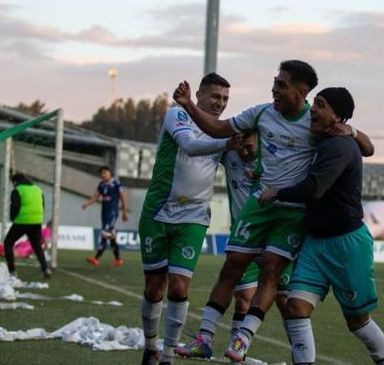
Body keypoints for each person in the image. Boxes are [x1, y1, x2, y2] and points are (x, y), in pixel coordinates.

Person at [174, 60, 375, 362]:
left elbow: (368, 148)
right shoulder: (262, 113)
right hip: (260, 203)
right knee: (232, 265)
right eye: (275, 82)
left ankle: (242, 338)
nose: (274, 89)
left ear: (301, 92)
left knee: (270, 268)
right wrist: (189, 105)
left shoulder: (316, 124)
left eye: (281, 85)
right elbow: (217, 128)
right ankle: (204, 338)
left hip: (293, 211)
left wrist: (353, 130)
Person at [259, 87, 384, 365]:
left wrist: (277, 192)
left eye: (320, 105)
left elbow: (315, 188)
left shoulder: (340, 146)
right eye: (314, 104)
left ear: (337, 117)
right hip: (315, 242)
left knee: (358, 322)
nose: (313, 110)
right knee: (295, 308)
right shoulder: (322, 139)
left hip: (347, 244)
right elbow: (369, 147)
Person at [138, 73, 239, 365]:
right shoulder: (177, 114)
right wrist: (227, 143)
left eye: (225, 100)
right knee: (154, 288)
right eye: (216, 97)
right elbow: (191, 145)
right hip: (158, 212)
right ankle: (149, 346)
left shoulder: (222, 131)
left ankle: (168, 355)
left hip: (194, 216)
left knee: (180, 287)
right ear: (199, 95)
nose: (221, 104)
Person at [221, 133, 290, 335]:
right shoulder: (229, 154)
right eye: (240, 146)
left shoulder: (273, 159)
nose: (244, 151)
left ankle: (300, 353)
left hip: (274, 238)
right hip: (244, 238)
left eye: (249, 146)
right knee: (243, 299)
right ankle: (236, 352)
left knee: (286, 301)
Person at [3, 172, 50, 279]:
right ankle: (46, 268)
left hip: (22, 220)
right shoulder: (37, 189)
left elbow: (15, 206)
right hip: (37, 221)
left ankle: (12, 272)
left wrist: (13, 218)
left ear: (15, 182)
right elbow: (42, 205)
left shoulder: (17, 190)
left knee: (8, 243)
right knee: (37, 246)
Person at [82, 166, 128, 266]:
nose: (103, 175)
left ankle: (96, 258)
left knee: (104, 233)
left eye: (104, 172)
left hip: (112, 213)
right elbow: (95, 197)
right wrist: (87, 203)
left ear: (109, 172)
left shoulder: (116, 183)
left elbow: (123, 198)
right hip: (104, 213)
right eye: (101, 173)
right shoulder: (101, 185)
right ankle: (118, 259)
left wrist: (124, 212)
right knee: (111, 236)